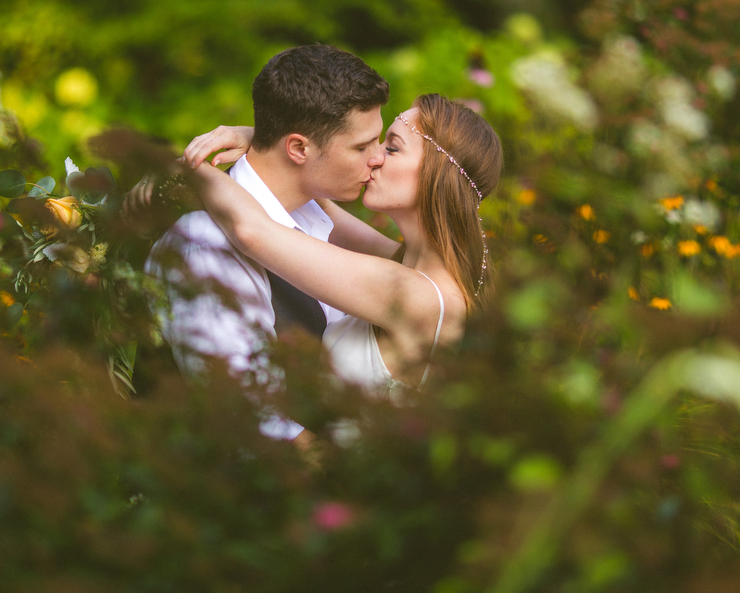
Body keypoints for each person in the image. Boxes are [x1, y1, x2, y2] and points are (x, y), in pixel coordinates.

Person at [181, 93, 502, 398]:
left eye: (392, 148)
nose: (374, 157)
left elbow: (252, 231)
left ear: (435, 174)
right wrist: (268, 141)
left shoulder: (420, 298)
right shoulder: (411, 263)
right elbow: (309, 194)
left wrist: (189, 166)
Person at [145, 44, 389, 439]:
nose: (378, 158)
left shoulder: (315, 217)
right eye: (362, 146)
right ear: (297, 148)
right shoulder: (206, 243)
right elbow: (247, 420)